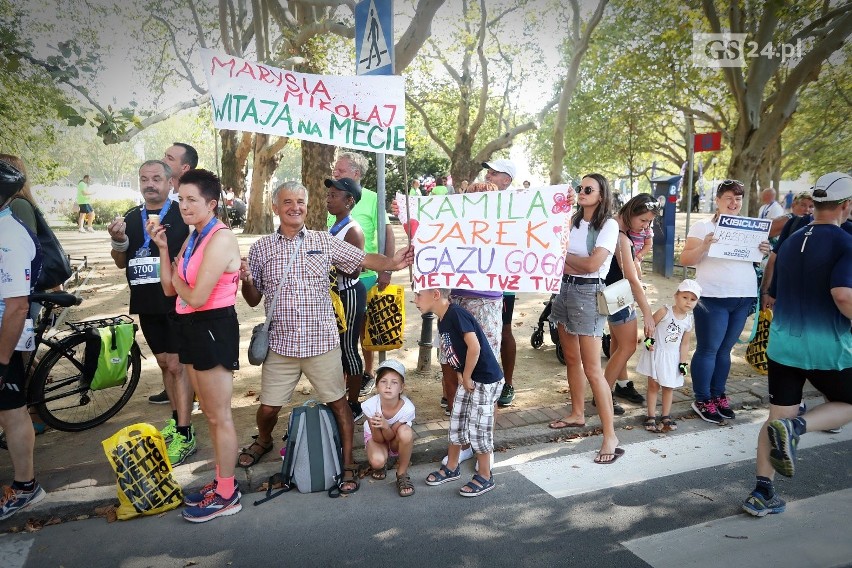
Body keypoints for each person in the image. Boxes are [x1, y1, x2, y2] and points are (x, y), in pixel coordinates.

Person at [238, 181, 412, 497]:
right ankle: (264, 440)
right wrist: (246, 280)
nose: (295, 207)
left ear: (308, 206)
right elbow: (252, 298)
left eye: (301, 201)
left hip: (322, 343)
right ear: (276, 207)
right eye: (288, 202)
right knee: (267, 409)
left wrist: (391, 263)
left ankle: (346, 462)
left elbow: (361, 258)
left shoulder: (324, 240)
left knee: (340, 407)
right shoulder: (261, 248)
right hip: (282, 345)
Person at [741, 172, 852, 517]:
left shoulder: (792, 238)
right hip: (827, 348)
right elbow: (843, 295)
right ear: (846, 206)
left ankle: (762, 492)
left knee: (776, 416)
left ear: (815, 203)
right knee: (842, 402)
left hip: (783, 346)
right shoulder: (846, 243)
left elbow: (774, 284)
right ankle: (796, 427)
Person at [149, 169, 243, 522]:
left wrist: (177, 277)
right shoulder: (193, 236)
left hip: (212, 327)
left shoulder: (219, 238)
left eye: (192, 200)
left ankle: (228, 492)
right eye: (181, 199)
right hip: (190, 326)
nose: (184, 206)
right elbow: (170, 290)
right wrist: (163, 250)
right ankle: (221, 483)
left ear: (211, 203)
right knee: (210, 414)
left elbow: (199, 296)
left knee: (220, 416)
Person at [107, 160, 196, 466]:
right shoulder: (132, 217)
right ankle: (176, 417)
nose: (150, 183)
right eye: (144, 178)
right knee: (163, 363)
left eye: (157, 178)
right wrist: (118, 241)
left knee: (177, 364)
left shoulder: (182, 214)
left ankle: (186, 432)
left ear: (170, 182)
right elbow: (121, 261)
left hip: (176, 301)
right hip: (145, 302)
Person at [680, 179, 771, 424]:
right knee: (709, 348)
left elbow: (755, 260)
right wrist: (705, 246)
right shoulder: (701, 227)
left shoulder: (750, 227)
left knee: (725, 350)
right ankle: (702, 398)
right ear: (718, 200)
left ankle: (718, 394)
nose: (734, 203)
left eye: (738, 198)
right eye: (729, 198)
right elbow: (685, 259)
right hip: (713, 296)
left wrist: (763, 250)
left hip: (743, 295)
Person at [548, 174, 624, 464]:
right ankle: (577, 414)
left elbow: (592, 265)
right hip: (564, 289)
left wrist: (564, 256)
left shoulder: (608, 225)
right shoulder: (572, 220)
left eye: (588, 189)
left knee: (593, 369)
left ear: (601, 194)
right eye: (580, 188)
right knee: (571, 358)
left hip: (589, 293)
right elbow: (551, 246)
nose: (582, 192)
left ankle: (610, 436)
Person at [417, 288, 504, 497]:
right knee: (458, 419)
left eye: (419, 295)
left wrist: (466, 375)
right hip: (469, 377)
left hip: (484, 379)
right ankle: (452, 466)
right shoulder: (443, 318)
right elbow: (454, 349)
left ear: (436, 294)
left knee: (478, 429)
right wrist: (460, 373)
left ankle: (485, 475)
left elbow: (474, 347)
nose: (415, 300)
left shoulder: (456, 314)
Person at [0, 161, 46, 521]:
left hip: (4, 339)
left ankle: (26, 486)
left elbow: (16, 307)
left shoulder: (10, 237)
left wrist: (1, 362)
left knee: (11, 410)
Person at [329, 152, 395, 396]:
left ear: (356, 174)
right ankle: (346, 378)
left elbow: (387, 233)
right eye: (335, 169)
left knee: (364, 329)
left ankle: (366, 373)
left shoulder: (372, 198)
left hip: (364, 274)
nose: (335, 173)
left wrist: (385, 270)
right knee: (345, 333)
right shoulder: (334, 197)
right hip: (337, 282)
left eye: (341, 170)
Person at [148, 142, 199, 405]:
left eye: (169, 157)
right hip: (160, 287)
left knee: (183, 354)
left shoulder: (196, 198)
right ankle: (175, 389)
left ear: (185, 167)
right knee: (167, 357)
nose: (163, 159)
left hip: (185, 289)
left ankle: (190, 396)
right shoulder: (162, 196)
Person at [600, 195, 659, 415]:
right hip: (618, 293)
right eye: (643, 220)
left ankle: (622, 385)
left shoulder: (614, 225)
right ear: (631, 212)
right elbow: (631, 278)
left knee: (618, 342)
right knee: (628, 346)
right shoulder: (620, 235)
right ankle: (603, 395)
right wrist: (648, 314)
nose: (646, 226)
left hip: (613, 292)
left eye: (649, 222)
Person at [325, 177, 367, 421]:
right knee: (337, 349)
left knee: (349, 348)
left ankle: (354, 404)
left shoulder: (353, 230)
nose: (329, 199)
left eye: (334, 195)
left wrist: (324, 262)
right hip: (337, 295)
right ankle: (340, 397)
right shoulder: (336, 226)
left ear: (349, 200)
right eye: (329, 195)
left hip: (349, 293)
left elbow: (354, 270)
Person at [637, 280, 700, 433]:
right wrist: (648, 341)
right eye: (685, 297)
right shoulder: (664, 311)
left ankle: (666, 415)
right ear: (676, 296)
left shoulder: (688, 321)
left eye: (693, 300)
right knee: (653, 385)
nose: (688, 302)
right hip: (657, 353)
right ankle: (651, 416)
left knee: (668, 386)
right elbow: (650, 325)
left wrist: (683, 363)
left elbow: (685, 344)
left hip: (672, 357)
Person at [482, 159, 521, 407]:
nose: (488, 176)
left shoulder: (518, 204)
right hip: (474, 280)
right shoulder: (474, 199)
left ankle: (507, 382)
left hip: (503, 283)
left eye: (494, 173)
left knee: (504, 330)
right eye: (488, 172)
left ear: (507, 180)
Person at [361, 359, 416, 497]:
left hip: (395, 440)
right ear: (377, 385)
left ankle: (402, 473)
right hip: (377, 439)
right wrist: (381, 426)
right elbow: (378, 438)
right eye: (383, 381)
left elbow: (391, 437)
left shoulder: (407, 408)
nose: (388, 386)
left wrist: (385, 425)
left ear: (401, 388)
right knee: (377, 462)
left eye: (394, 382)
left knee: (406, 432)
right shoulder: (369, 406)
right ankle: (382, 463)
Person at [761, 191, 815, 310]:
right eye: (803, 205)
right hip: (773, 271)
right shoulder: (788, 220)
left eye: (811, 206)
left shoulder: (810, 223)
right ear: (794, 205)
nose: (807, 209)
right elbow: (763, 233)